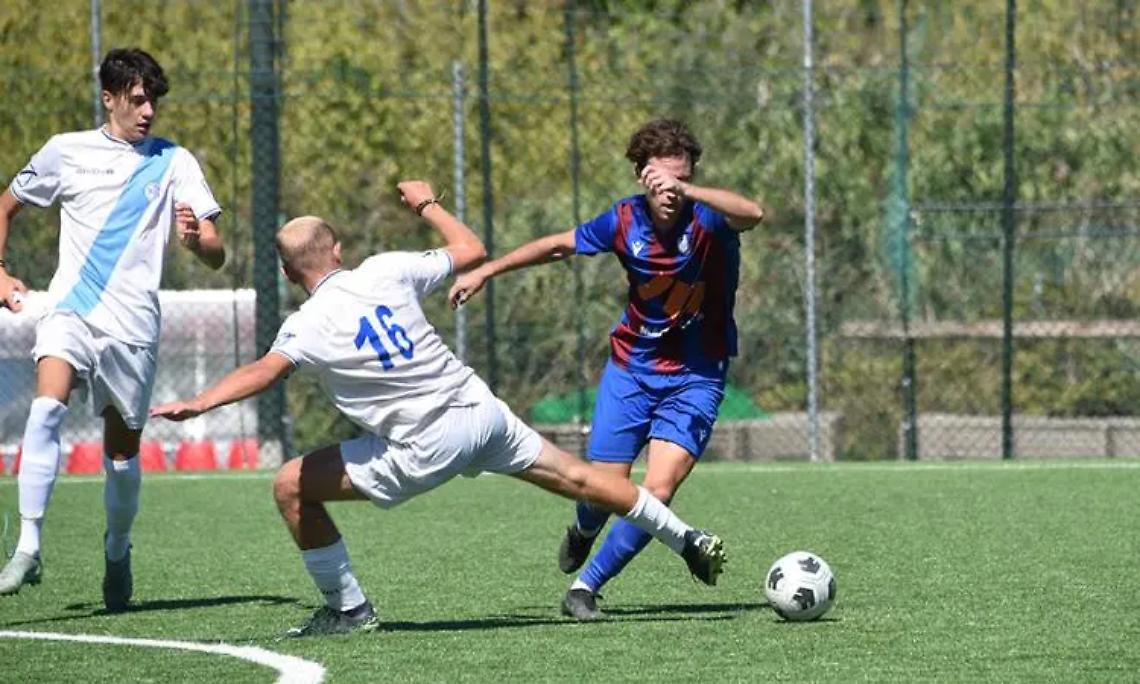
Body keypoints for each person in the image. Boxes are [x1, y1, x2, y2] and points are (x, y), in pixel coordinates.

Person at [149, 181, 726, 637]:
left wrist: (201, 401)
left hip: (424, 445)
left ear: (286, 273)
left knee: (289, 486)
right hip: (480, 410)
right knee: (582, 478)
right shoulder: (384, 269)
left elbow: (264, 372)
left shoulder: (305, 326)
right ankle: (686, 538)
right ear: (339, 251)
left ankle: (348, 610)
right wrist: (426, 202)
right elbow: (471, 249)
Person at [448, 119, 763, 620]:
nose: (670, 193)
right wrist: (487, 270)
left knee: (657, 490)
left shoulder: (709, 218)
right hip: (631, 370)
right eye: (661, 180)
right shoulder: (623, 221)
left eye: (679, 180)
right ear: (641, 176)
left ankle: (586, 587)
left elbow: (754, 213)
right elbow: (556, 245)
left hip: (697, 375)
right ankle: (584, 530)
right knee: (601, 490)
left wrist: (689, 189)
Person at [0, 48, 225, 611]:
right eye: (137, 99)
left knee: (121, 458)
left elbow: (218, 255)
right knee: (45, 408)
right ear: (110, 97)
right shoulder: (65, 152)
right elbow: (4, 206)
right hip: (71, 310)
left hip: (132, 328)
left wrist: (197, 240)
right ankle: (27, 547)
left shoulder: (174, 161)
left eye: (154, 100)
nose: (148, 110)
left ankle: (118, 548)